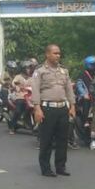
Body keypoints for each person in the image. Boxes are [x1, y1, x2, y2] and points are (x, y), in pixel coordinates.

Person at [31, 44, 76, 177]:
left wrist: (72, 106)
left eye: (59, 53)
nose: (58, 56)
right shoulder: (40, 71)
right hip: (47, 108)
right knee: (47, 139)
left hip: (62, 108)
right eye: (55, 53)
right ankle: (45, 168)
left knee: (63, 139)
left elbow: (69, 89)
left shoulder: (64, 71)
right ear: (47, 54)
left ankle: (60, 166)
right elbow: (35, 90)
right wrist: (37, 108)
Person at [8, 61, 34, 135]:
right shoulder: (18, 77)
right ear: (23, 69)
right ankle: (12, 127)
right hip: (20, 96)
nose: (29, 70)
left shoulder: (31, 78)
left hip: (30, 97)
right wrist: (17, 86)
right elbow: (14, 83)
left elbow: (35, 85)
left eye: (29, 68)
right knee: (18, 110)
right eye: (27, 68)